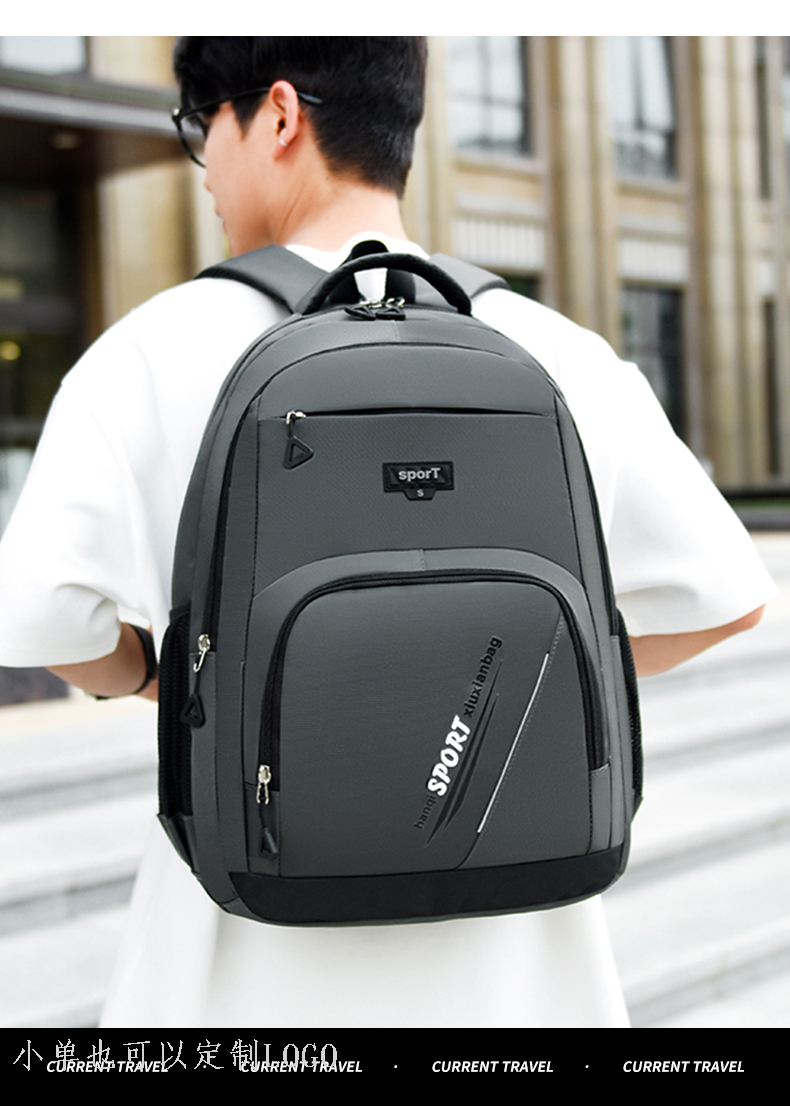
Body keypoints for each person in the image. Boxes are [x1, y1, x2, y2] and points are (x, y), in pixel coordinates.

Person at [0, 37, 775, 1028]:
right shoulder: (557, 349)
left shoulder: (146, 352)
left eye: (204, 127)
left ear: (279, 115)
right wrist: (523, 675)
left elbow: (38, 620)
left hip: (246, 969)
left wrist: (169, 676)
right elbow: (728, 596)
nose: (205, 171)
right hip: (522, 978)